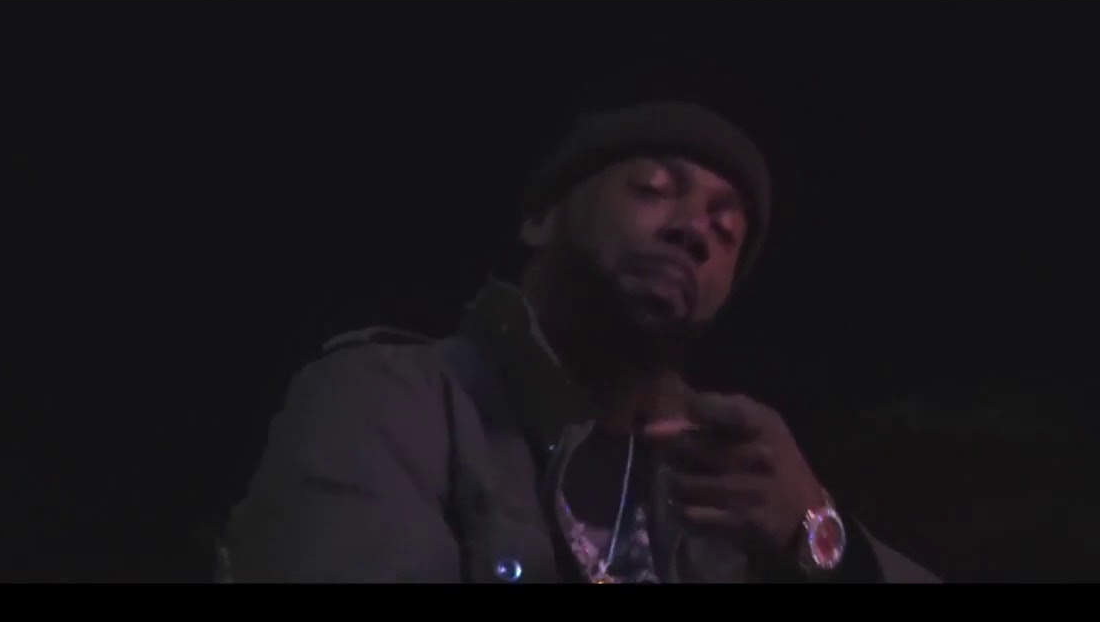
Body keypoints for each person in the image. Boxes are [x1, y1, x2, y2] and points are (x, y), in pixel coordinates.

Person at [224, 101, 938, 583]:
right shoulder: (388, 401)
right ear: (541, 219)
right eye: (652, 189)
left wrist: (813, 533)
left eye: (725, 232)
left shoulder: (719, 488)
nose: (695, 230)